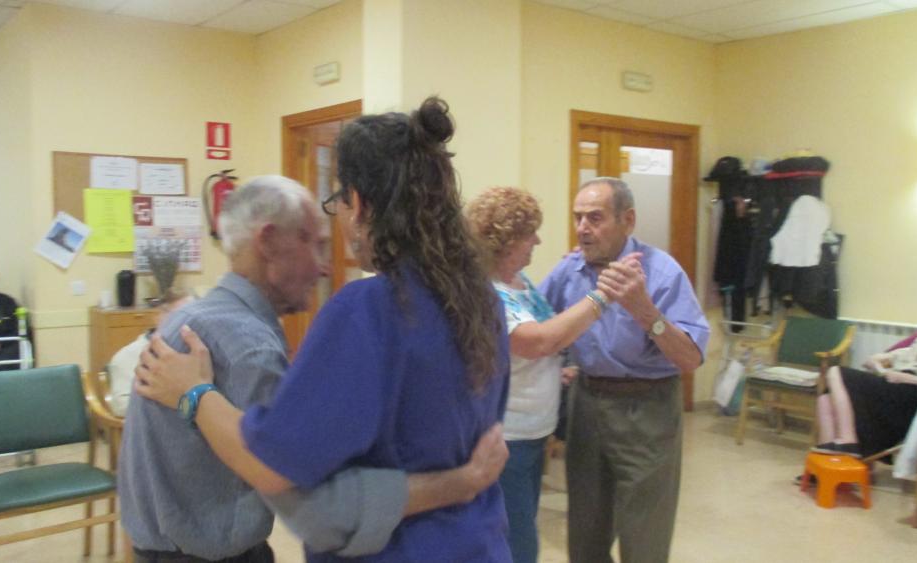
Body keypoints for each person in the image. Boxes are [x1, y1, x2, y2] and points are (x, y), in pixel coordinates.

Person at [134, 97, 512, 562]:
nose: (323, 263)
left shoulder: (368, 311)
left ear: (359, 204)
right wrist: (461, 483)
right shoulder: (484, 303)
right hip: (478, 543)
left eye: (336, 205)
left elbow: (274, 468)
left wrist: (193, 393)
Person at [540, 177, 710, 563]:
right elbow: (535, 322)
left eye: (595, 218)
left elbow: (690, 359)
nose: (583, 228)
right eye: (578, 218)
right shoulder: (570, 269)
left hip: (647, 408)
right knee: (585, 530)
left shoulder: (662, 272)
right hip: (586, 403)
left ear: (627, 220)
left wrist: (644, 310)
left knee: (644, 534)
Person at [466, 186, 634, 563]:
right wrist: (602, 295)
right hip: (507, 437)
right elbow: (538, 341)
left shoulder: (520, 282)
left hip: (533, 434)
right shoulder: (487, 293)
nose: (538, 241)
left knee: (521, 529)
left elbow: (543, 336)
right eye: (530, 234)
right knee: (518, 545)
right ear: (506, 240)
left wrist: (558, 367)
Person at [811, 289, 917, 459]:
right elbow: (890, 356)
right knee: (827, 394)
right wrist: (877, 363)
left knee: (836, 372)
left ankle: (848, 441)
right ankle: (827, 452)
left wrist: (909, 378)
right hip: (894, 386)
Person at [106, 290, 193, 416]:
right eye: (181, 317)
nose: (188, 325)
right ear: (159, 318)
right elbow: (121, 407)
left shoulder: (199, 354)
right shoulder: (127, 356)